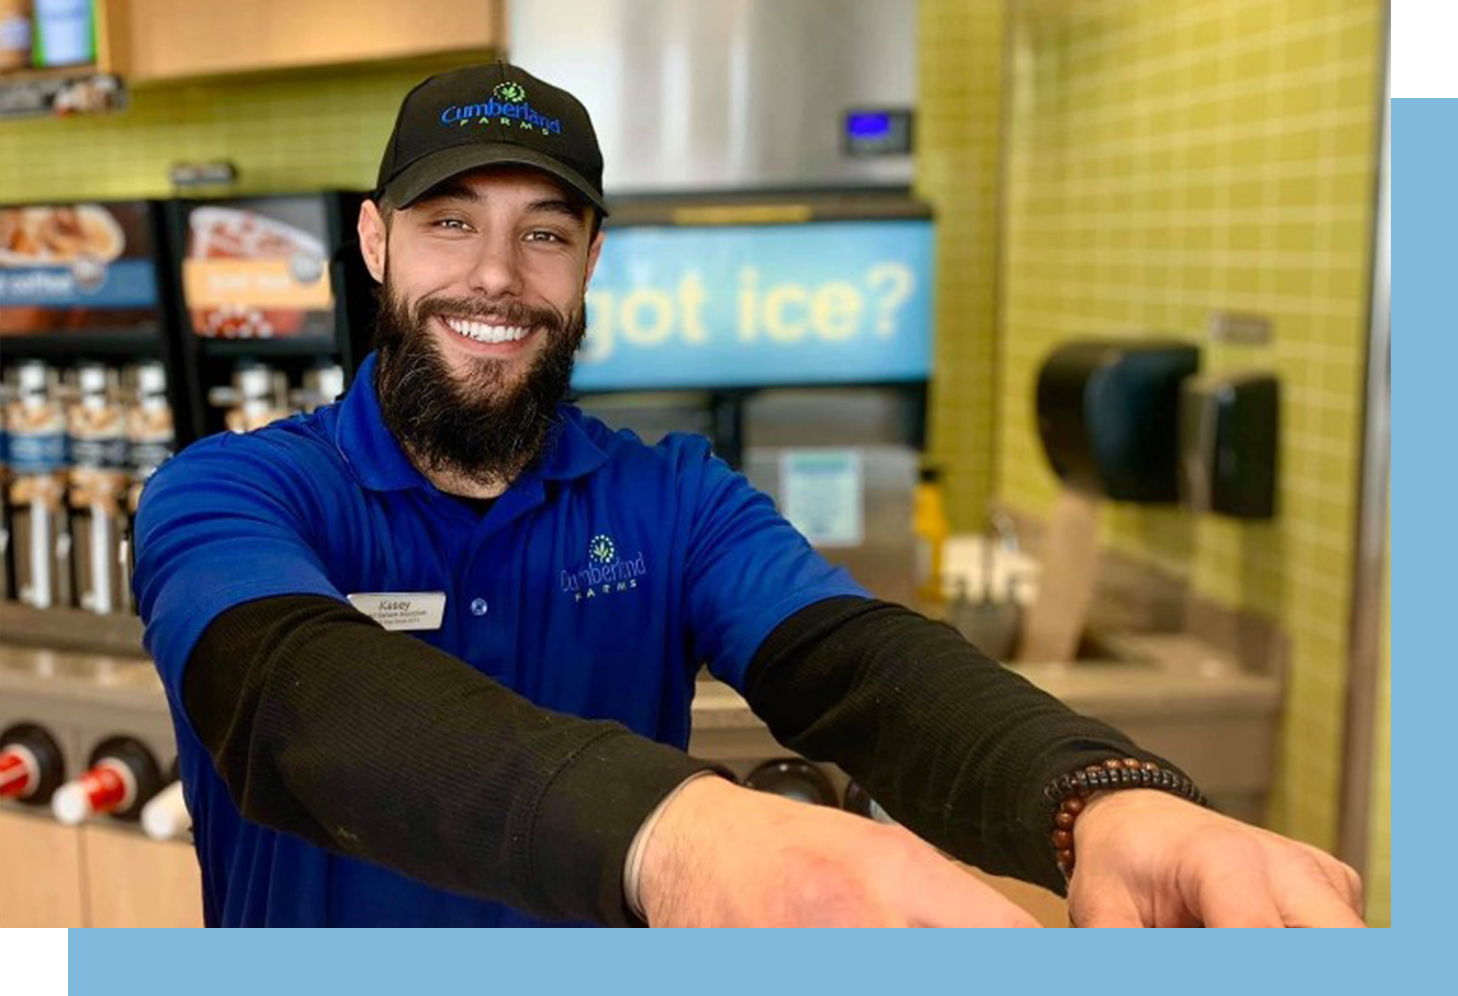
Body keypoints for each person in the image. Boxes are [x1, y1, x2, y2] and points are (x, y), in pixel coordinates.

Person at [133, 63, 1365, 928]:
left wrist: (1099, 799)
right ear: (375, 242)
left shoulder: (671, 499)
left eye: (546, 233)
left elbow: (860, 665)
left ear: (593, 262)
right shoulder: (235, 491)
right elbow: (297, 695)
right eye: (451, 222)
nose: (497, 277)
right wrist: (681, 832)